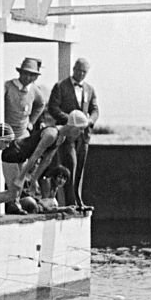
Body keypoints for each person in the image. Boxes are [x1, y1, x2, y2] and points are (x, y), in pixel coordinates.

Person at [0, 110, 89, 226]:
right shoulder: (51, 134)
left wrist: (33, 179)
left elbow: (46, 160)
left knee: (16, 193)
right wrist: (21, 178)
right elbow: (35, 156)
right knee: (13, 193)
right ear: (72, 126)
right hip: (12, 154)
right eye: (80, 129)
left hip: (21, 157)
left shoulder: (60, 138)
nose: (81, 133)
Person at [47, 58, 99, 208]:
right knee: (69, 166)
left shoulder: (90, 89)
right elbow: (53, 108)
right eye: (79, 70)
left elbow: (95, 109)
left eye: (84, 72)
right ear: (73, 69)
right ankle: (69, 202)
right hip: (68, 135)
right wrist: (71, 120)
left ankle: (78, 200)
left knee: (80, 169)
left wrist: (89, 121)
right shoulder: (60, 86)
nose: (81, 74)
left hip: (84, 136)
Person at [1, 57, 48, 212]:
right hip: (6, 133)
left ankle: (22, 199)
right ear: (20, 73)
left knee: (23, 168)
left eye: (32, 75)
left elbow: (41, 104)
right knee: (10, 168)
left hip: (22, 134)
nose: (28, 78)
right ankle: (12, 201)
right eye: (26, 74)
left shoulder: (34, 90)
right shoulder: (8, 86)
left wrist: (31, 122)